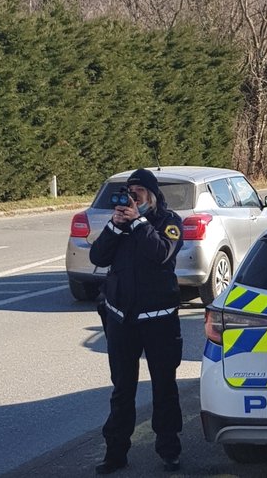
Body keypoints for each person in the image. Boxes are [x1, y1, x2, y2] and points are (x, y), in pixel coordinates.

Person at [90, 168, 185, 474]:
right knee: (122, 390)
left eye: (138, 193)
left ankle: (169, 450)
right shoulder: (120, 224)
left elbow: (161, 254)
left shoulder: (170, 223)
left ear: (152, 195)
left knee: (164, 387)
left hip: (159, 321)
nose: (131, 199)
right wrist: (115, 226)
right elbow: (97, 257)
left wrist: (139, 222)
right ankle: (115, 453)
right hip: (122, 319)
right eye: (128, 193)